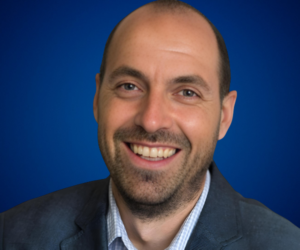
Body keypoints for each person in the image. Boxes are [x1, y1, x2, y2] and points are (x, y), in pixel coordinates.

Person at [1, 0, 299, 249]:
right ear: (97, 99)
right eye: (129, 86)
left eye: (186, 93)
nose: (151, 120)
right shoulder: (12, 235)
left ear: (224, 116)